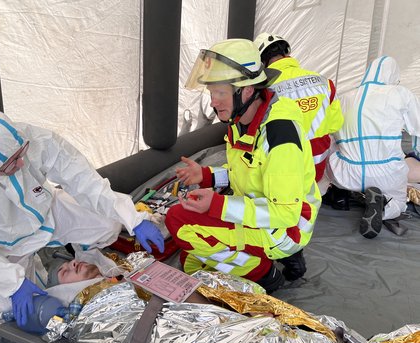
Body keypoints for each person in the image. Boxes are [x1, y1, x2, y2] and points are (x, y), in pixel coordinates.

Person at [0, 104, 164, 327]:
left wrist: (134, 219)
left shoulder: (31, 137)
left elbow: (83, 179)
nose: (21, 165)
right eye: (10, 163)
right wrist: (11, 283)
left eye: (20, 153)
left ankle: (86, 254)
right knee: (20, 313)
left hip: (47, 211)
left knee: (109, 223)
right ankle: (28, 277)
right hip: (2, 247)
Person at [164, 39, 321, 293]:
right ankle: (273, 257)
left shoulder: (279, 135)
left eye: (220, 93)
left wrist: (217, 205)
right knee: (191, 262)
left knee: (180, 223)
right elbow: (247, 173)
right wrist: (205, 175)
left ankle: (266, 273)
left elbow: (285, 213)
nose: (214, 102)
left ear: (246, 90)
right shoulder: (243, 119)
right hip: (265, 214)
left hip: (287, 226)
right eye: (211, 93)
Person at [326, 56, 420, 238]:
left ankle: (332, 191)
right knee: (399, 202)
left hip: (346, 174)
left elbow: (328, 132)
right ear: (393, 76)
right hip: (387, 173)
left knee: (331, 149)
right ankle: (385, 206)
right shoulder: (399, 93)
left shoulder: (344, 98)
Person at [253, 32, 344, 194]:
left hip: (281, 172)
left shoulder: (262, 88)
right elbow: (335, 125)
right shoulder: (324, 82)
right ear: (287, 53)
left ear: (262, 61)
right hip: (316, 169)